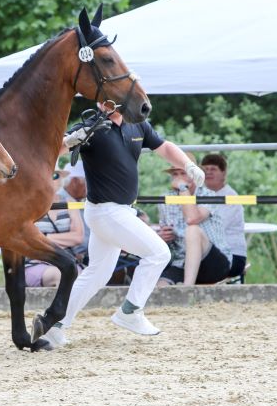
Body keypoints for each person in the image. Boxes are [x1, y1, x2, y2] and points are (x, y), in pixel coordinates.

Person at [42, 102, 205, 348]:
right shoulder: (91, 126)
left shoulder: (136, 124)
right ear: (100, 101)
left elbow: (164, 146)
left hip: (117, 211)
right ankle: (130, 311)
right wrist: (71, 140)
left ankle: (54, 325)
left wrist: (188, 165)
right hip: (107, 211)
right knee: (159, 253)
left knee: (97, 273)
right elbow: (53, 152)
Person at [156, 153, 232, 286]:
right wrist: (162, 238)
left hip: (214, 262)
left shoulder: (208, 194)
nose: (179, 177)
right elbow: (169, 247)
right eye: (175, 174)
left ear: (194, 175)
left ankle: (187, 289)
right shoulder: (165, 199)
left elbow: (192, 218)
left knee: (192, 230)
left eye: (183, 173)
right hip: (182, 261)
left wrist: (182, 188)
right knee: (161, 287)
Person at [25, 160, 84, 287]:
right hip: (36, 263)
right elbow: (29, 239)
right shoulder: (29, 204)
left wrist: (45, 238)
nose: (51, 179)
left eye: (55, 175)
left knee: (82, 278)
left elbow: (78, 237)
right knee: (59, 275)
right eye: (46, 174)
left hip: (68, 261)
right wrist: (66, 239)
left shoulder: (69, 202)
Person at [201, 153, 247, 278]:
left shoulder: (231, 197)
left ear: (224, 173)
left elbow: (215, 230)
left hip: (233, 255)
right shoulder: (200, 194)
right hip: (210, 253)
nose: (208, 172)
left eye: (213, 169)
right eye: (205, 169)